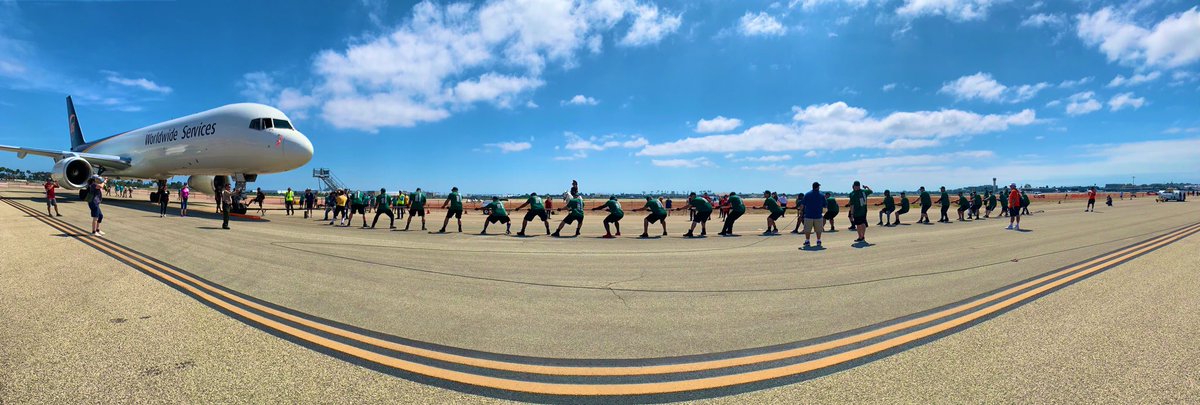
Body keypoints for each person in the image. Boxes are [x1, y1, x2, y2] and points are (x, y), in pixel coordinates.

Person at [799, 182, 825, 248]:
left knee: (807, 229)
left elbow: (802, 204)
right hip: (818, 215)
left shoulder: (807, 194)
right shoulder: (821, 195)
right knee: (818, 229)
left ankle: (807, 241)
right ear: (817, 187)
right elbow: (825, 205)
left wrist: (801, 211)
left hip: (808, 215)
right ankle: (818, 240)